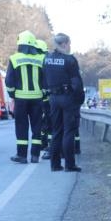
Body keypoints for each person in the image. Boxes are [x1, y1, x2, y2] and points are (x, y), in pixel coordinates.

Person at [43, 32, 84, 172]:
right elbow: (77, 83)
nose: (70, 46)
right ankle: (69, 165)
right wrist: (79, 99)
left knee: (56, 131)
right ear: (64, 44)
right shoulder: (70, 60)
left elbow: (43, 78)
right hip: (67, 98)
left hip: (53, 98)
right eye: (69, 44)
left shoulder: (47, 58)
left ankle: (55, 164)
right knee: (69, 131)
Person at [5, 30, 45, 164]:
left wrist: (12, 95)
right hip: (37, 99)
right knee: (37, 127)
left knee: (21, 127)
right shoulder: (41, 59)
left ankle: (22, 155)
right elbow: (45, 80)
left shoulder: (14, 58)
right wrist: (43, 93)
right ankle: (35, 155)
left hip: (20, 99)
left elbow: (9, 81)